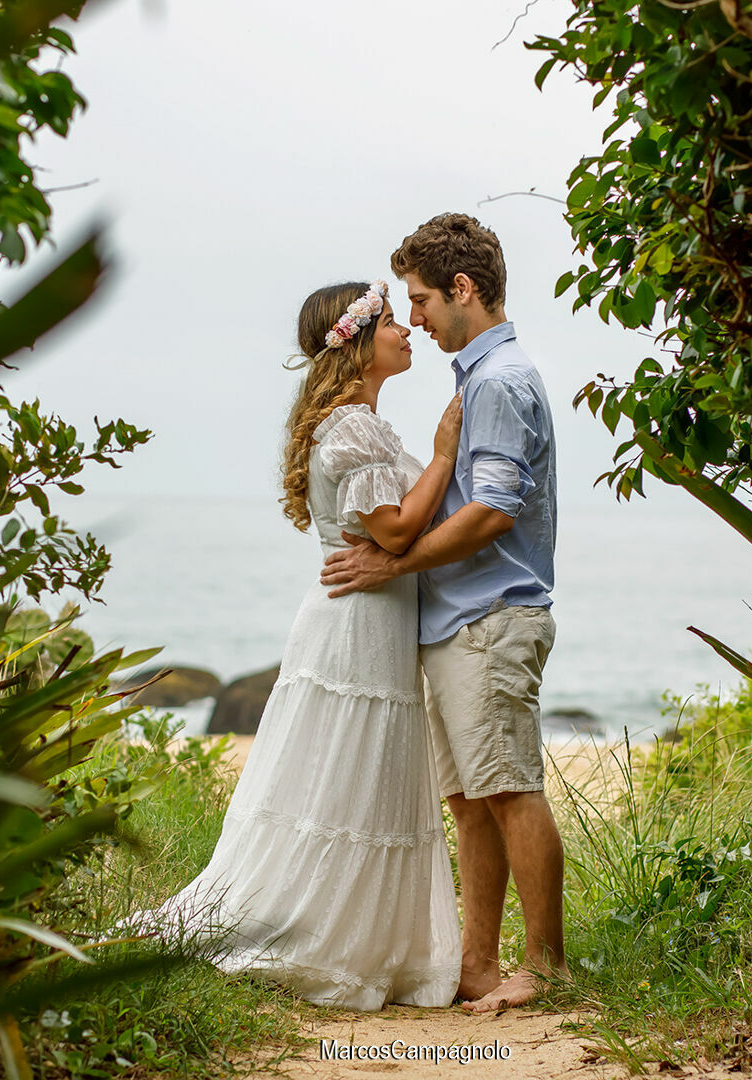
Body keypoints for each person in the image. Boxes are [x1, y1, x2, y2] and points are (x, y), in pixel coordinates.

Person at [119, 279, 465, 1011]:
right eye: (393, 323)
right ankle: (325, 938)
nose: (408, 332)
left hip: (368, 619)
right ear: (358, 341)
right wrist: (441, 456)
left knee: (361, 778)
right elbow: (397, 532)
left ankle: (369, 942)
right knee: (347, 775)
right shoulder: (353, 428)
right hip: (357, 624)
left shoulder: (357, 425)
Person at [321, 213, 565, 1014]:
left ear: (464, 289)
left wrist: (394, 562)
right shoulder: (476, 377)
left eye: (422, 299)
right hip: (457, 619)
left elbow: (493, 509)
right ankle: (478, 964)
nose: (415, 317)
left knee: (508, 789)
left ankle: (546, 966)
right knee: (469, 802)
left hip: (490, 614)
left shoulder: (496, 380)